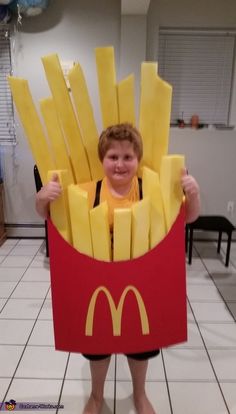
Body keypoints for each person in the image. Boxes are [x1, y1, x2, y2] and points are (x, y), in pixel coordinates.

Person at [36, 123, 200, 414]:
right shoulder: (86, 192)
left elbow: (187, 218)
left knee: (141, 344)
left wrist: (194, 194)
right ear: (103, 160)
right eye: (113, 156)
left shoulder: (153, 191)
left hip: (143, 281)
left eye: (128, 157)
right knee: (97, 343)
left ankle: (140, 394)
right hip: (95, 282)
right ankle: (96, 395)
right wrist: (42, 198)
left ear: (138, 159)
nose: (120, 164)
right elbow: (46, 214)